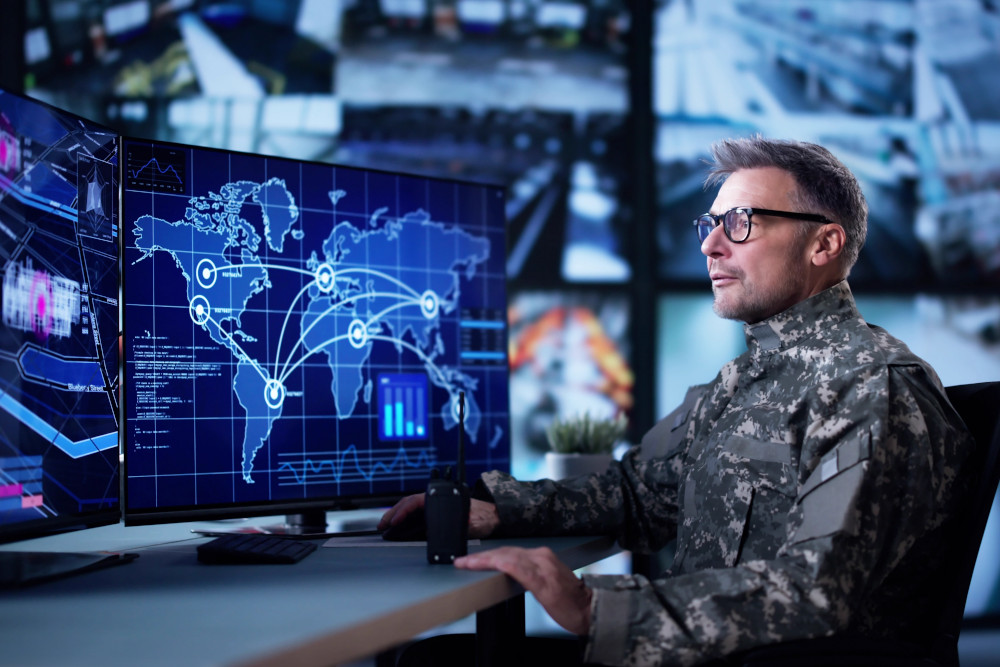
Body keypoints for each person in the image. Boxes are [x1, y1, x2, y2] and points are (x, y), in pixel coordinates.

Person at [379, 136, 975, 666]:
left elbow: (816, 591)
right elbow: (639, 493)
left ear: (824, 243)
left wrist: (595, 609)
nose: (712, 245)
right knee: (435, 658)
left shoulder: (873, 387)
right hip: (689, 651)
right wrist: (494, 509)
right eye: (710, 225)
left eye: (741, 222)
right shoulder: (741, 380)